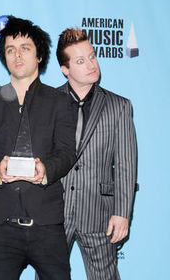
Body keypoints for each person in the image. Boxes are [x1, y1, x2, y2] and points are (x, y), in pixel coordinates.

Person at [0, 16, 76, 280]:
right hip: (1, 227)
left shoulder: (59, 102)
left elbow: (66, 152)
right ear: (4, 57)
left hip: (48, 225)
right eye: (10, 50)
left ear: (39, 55)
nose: (17, 55)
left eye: (25, 48)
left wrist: (46, 171)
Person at [56, 27, 137, 279]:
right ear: (65, 69)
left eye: (92, 56)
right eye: (80, 60)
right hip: (54, 213)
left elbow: (125, 164)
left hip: (99, 213)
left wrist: (122, 213)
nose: (91, 64)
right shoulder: (47, 103)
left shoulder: (119, 106)